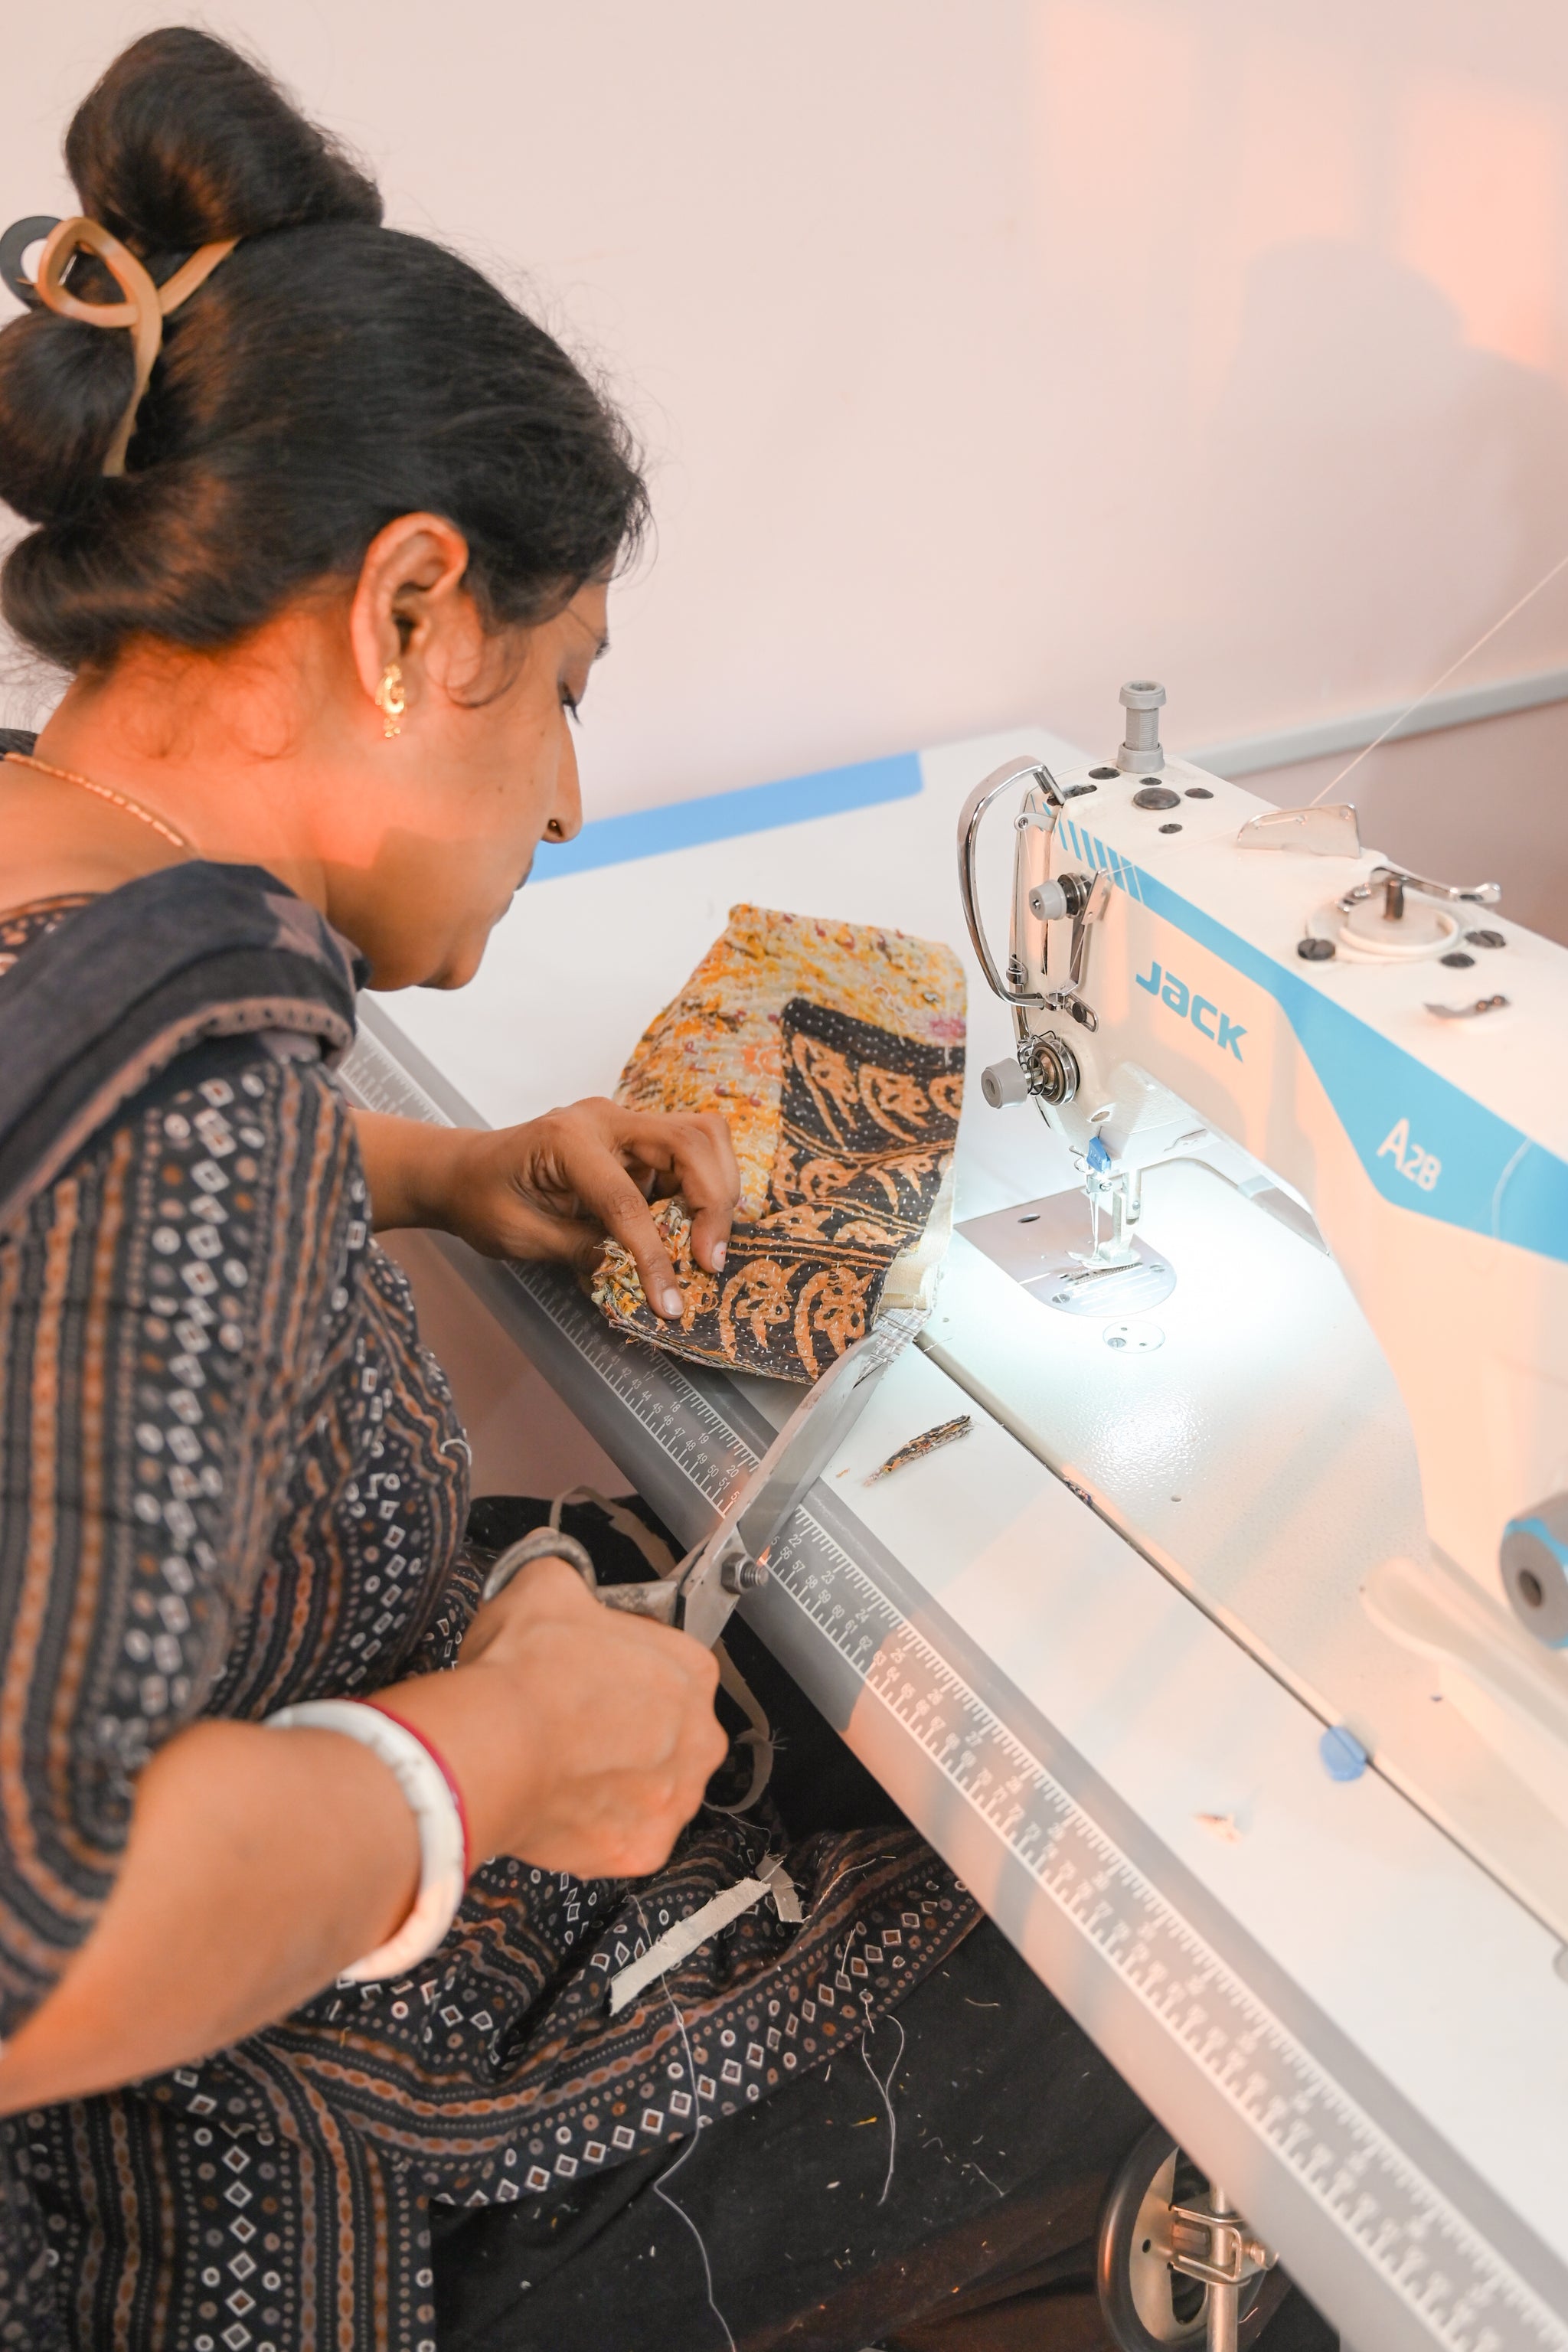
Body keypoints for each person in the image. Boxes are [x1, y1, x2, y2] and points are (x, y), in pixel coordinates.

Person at [0, 31, 1334, 2352]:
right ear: (413, 616)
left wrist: (437, 1170)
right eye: (563, 690)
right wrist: (512, 1745)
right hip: (270, 2180)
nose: (579, 799)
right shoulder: (199, 1017)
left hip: (218, 2070)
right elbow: (44, 1939)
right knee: (1222, 1969)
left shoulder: (64, 875)